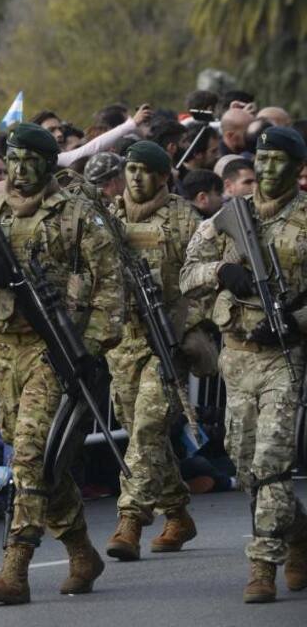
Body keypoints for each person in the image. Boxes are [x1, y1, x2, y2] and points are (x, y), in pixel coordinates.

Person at [0, 122, 123, 605]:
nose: (18, 168)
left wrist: (94, 348)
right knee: (38, 460)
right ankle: (82, 551)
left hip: (52, 350)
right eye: (12, 158)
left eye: (29, 159)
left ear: (47, 163)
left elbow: (110, 287)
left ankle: (15, 566)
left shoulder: (79, 213)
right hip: (1, 350)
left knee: (30, 458)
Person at [180, 125, 307, 603]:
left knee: (273, 463)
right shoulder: (231, 217)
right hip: (236, 356)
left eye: (280, 161)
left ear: (298, 169)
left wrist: (296, 321)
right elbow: (189, 273)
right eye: (263, 161)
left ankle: (263, 565)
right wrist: (223, 271)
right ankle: (298, 533)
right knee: (246, 466)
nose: (269, 170)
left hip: (283, 357)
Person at [101, 141, 203, 562]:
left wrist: (190, 327)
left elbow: (201, 278)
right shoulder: (109, 217)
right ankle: (177, 513)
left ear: (164, 176)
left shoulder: (184, 218)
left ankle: (130, 519)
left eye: (146, 170)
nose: (136, 177)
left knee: (146, 428)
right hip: (121, 341)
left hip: (166, 340)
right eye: (131, 169)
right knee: (141, 430)